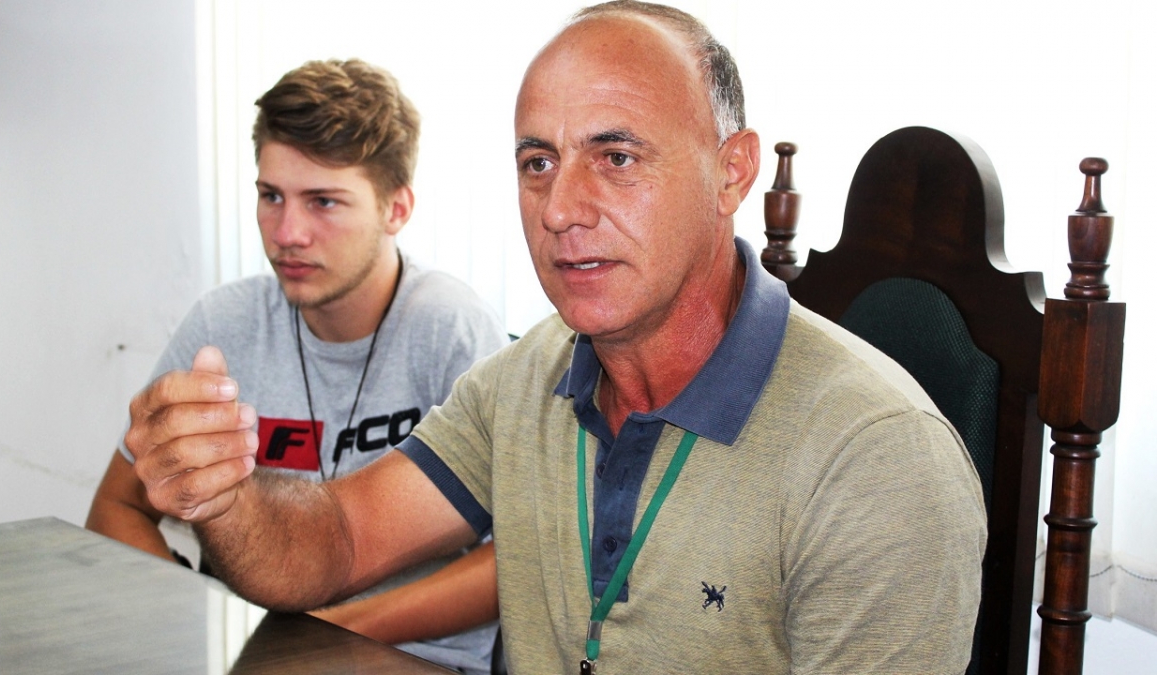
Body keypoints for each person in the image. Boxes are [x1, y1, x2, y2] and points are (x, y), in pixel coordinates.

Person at [125, 3, 987, 673]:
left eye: (616, 157)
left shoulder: (879, 459)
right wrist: (227, 499)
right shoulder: (528, 375)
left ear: (731, 173)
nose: (562, 209)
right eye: (538, 162)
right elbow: (338, 540)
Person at [84, 58, 506, 674]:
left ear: (396, 208)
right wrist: (202, 619)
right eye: (271, 196)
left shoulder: (452, 329)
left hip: (408, 657)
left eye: (323, 202)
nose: (287, 233)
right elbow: (116, 508)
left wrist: (321, 635)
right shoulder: (224, 324)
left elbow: (515, 558)